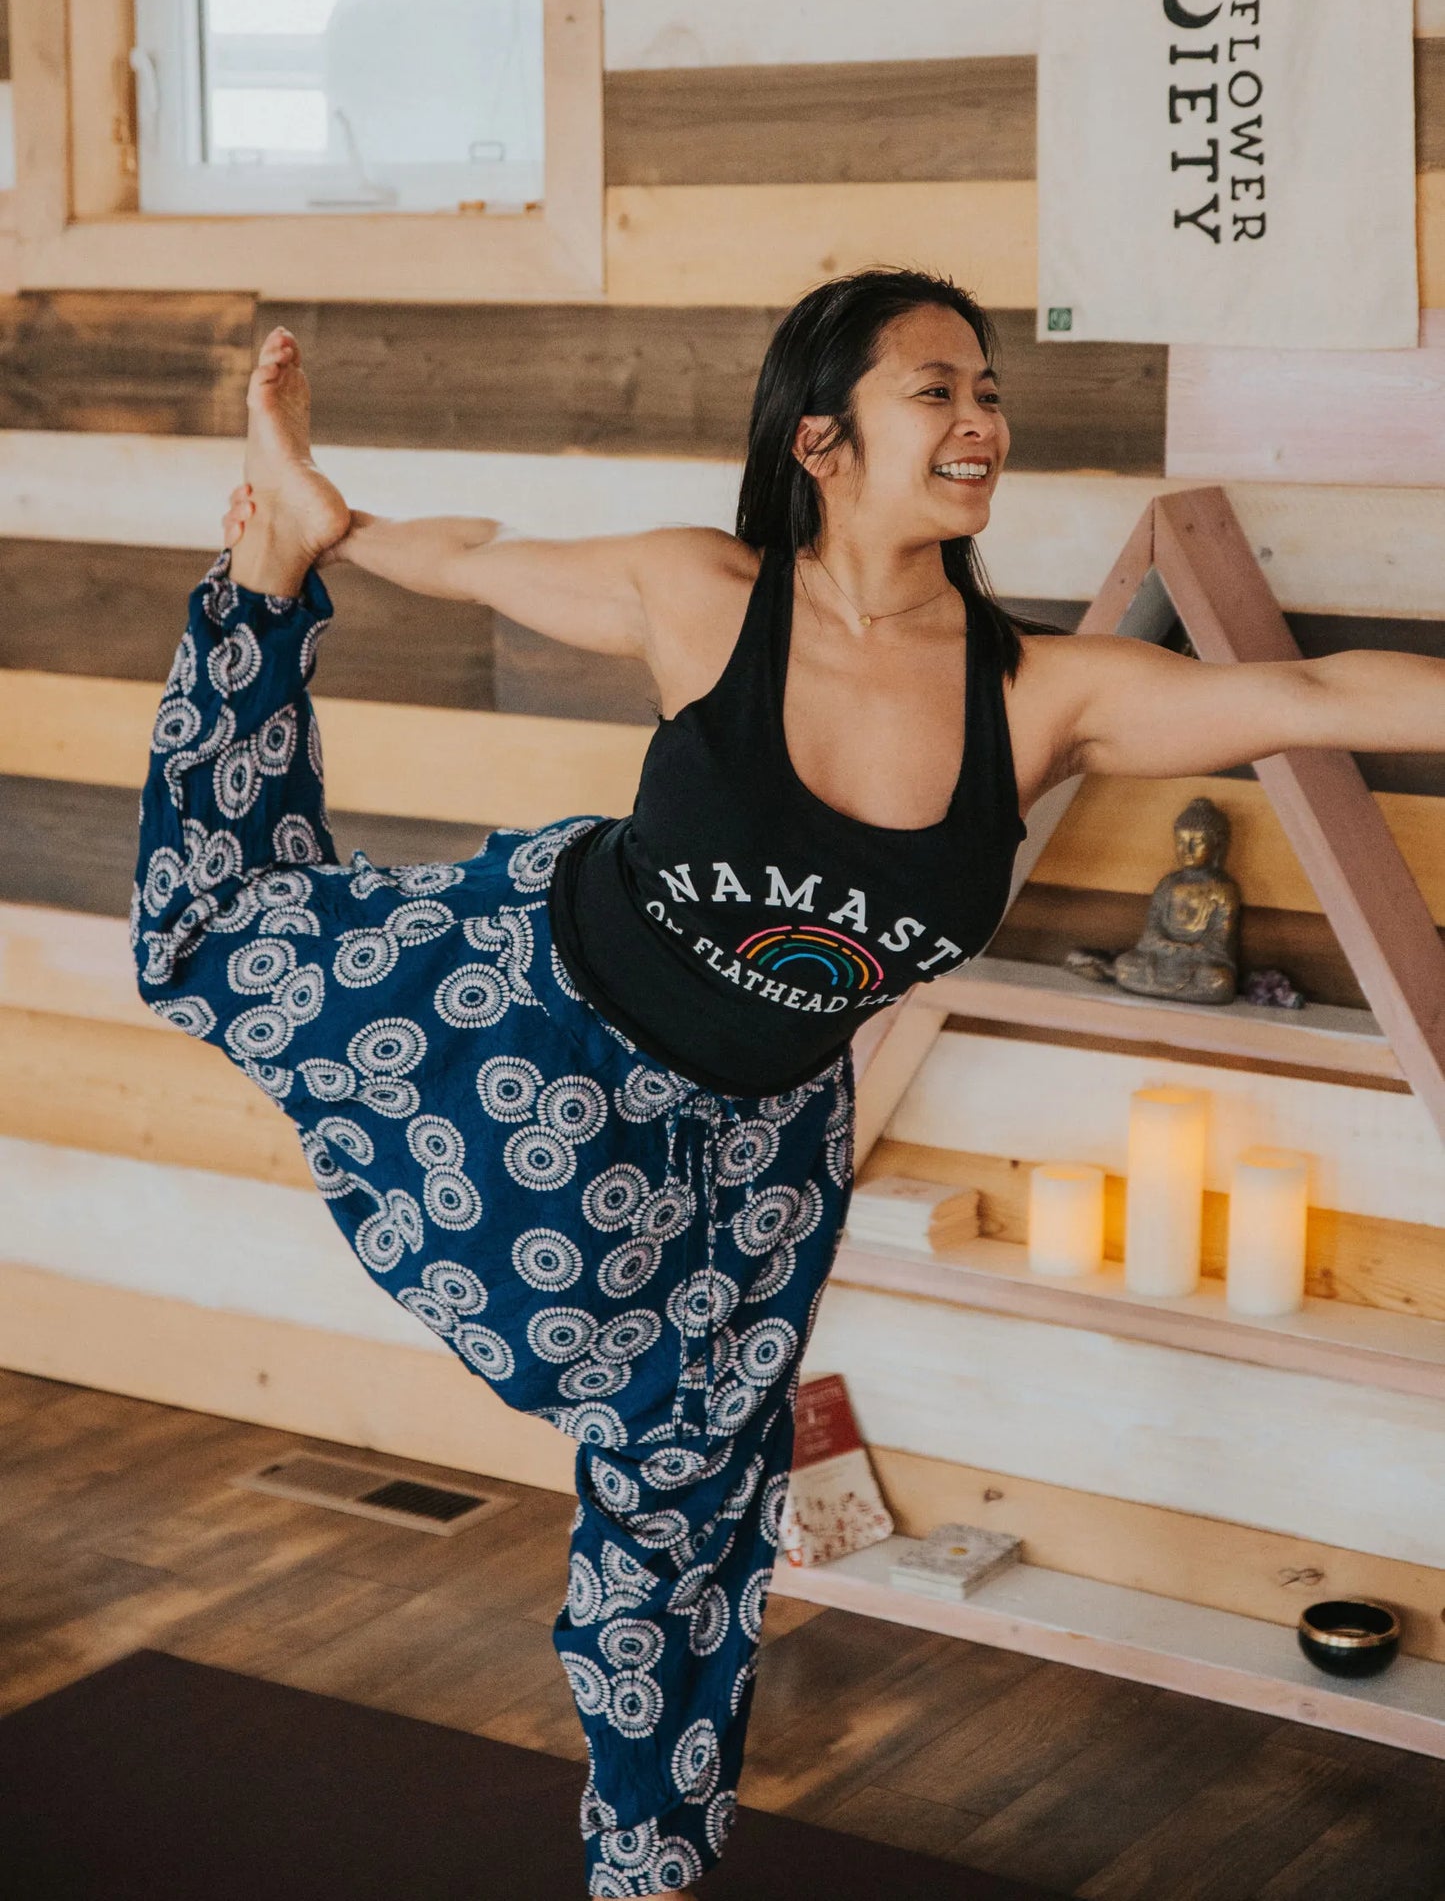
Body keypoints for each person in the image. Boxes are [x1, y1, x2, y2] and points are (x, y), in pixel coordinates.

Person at [132, 268, 1444, 1898]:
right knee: (203, 942)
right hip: (532, 1017)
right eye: (936, 390)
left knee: (685, 1508)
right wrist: (327, 527)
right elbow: (475, 563)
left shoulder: (1036, 696)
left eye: (986, 391)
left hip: (752, 1152)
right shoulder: (702, 599)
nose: (980, 421)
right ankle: (255, 591)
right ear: (821, 441)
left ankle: (649, 1862)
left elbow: (1311, 699)